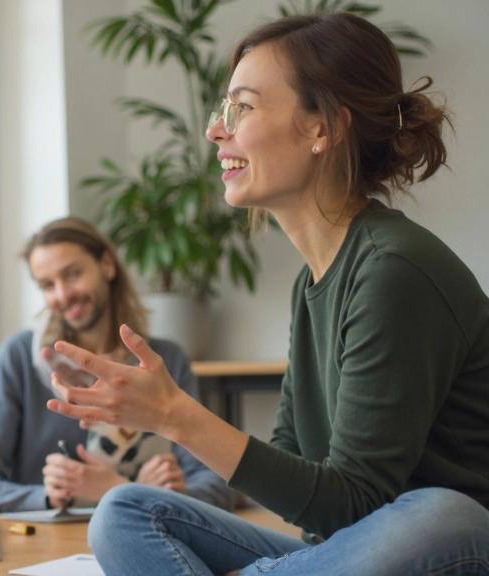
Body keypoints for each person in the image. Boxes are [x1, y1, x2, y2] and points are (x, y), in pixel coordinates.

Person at [46, 12, 489, 576]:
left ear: (322, 128)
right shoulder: (314, 282)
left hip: (449, 549)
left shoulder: (393, 269)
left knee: (446, 515)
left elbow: (353, 504)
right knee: (125, 511)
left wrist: (176, 417)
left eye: (243, 107)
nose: (215, 130)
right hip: (350, 555)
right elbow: (298, 474)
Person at [0, 217, 234, 512]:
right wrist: (52, 497)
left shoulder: (164, 362)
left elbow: (218, 487)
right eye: (47, 285)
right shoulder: (18, 358)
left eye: (73, 274)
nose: (63, 294)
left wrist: (129, 493)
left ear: (107, 265)